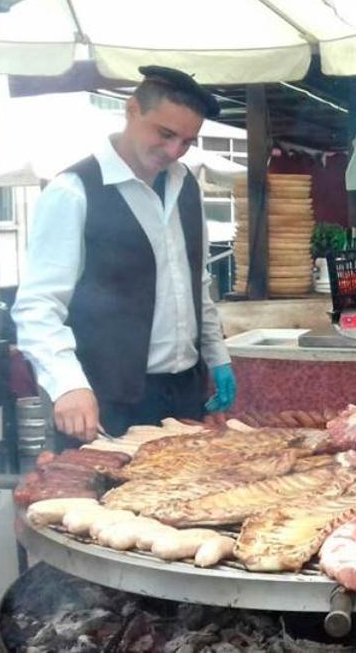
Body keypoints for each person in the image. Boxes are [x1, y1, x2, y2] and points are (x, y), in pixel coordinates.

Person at [12, 66, 236, 444]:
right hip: (106, 401)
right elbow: (38, 306)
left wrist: (217, 356)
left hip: (185, 395)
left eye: (186, 141)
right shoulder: (73, 191)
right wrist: (66, 384)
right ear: (131, 111)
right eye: (165, 134)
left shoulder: (186, 187)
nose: (174, 151)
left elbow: (195, 282)